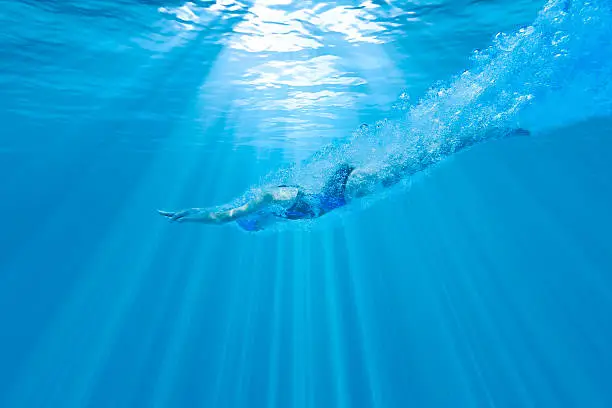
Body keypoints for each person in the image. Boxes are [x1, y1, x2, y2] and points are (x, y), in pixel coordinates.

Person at [158, 126, 529, 231]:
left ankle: (490, 130)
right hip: (349, 188)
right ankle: (484, 133)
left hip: (352, 186)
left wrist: (188, 216)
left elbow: (227, 216)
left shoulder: (269, 199)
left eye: (251, 225)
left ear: (253, 217)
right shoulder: (274, 215)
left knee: (425, 158)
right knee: (422, 159)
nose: (256, 230)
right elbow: (225, 213)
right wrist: (195, 209)